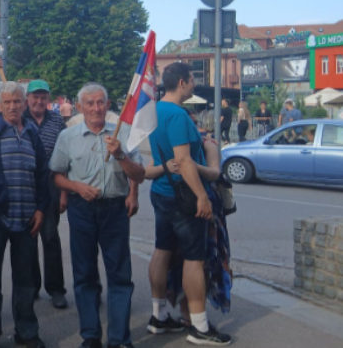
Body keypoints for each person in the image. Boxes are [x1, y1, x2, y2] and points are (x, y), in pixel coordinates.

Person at [51, 82, 145, 348]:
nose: (95, 108)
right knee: (85, 275)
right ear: (79, 107)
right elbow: (57, 176)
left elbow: (139, 175)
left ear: (108, 105)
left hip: (114, 210)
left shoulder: (123, 133)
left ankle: (119, 339)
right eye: (89, 103)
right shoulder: (67, 137)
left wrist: (120, 155)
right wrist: (76, 187)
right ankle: (91, 336)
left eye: (100, 102)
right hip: (82, 210)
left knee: (120, 276)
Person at [147, 62, 232, 345]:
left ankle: (159, 316)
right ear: (182, 82)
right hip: (184, 196)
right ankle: (199, 326)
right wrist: (202, 196)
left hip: (162, 190)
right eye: (193, 80)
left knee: (162, 250)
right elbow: (184, 161)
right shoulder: (178, 115)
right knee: (195, 259)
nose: (194, 84)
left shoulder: (155, 110)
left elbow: (165, 155)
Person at [0, 61, 69, 309]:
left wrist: (64, 192)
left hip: (49, 184)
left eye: (43, 97)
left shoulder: (57, 122)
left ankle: (56, 289)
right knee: (27, 239)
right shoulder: (16, 115)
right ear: (27, 99)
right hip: (21, 185)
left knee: (50, 237)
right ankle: (32, 285)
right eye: (34, 97)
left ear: (48, 99)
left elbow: (66, 158)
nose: (38, 101)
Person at [0, 81, 50, 348]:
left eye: (17, 101)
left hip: (27, 220)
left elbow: (43, 176)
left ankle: (26, 332)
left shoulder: (33, 135)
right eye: (7, 102)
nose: (13, 106)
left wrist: (41, 209)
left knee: (25, 281)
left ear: (25, 104)